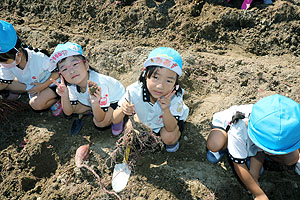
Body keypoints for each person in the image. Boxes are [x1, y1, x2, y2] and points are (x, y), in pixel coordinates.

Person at [206, 94, 300, 200]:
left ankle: (248, 154)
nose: (274, 153)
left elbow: (259, 151)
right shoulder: (238, 130)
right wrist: (259, 194)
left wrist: (254, 177)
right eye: (271, 150)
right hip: (227, 129)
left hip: (253, 142)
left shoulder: (285, 124)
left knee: (292, 157)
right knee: (215, 144)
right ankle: (226, 148)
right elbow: (239, 165)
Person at [113, 47, 189, 152]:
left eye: (168, 81)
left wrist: (166, 109)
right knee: (130, 130)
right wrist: (123, 109)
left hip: (167, 124)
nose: (160, 86)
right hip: (144, 122)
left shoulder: (174, 97)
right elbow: (114, 119)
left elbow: (171, 127)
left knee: (169, 137)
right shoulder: (133, 91)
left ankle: (170, 144)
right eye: (156, 78)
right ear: (145, 74)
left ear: (175, 83)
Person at [50, 42, 125, 135]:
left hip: (115, 102)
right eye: (64, 69)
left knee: (99, 122)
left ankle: (118, 119)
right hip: (94, 101)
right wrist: (64, 96)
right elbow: (68, 112)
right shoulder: (71, 85)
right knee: (75, 107)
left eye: (75, 64)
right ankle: (94, 108)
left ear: (86, 65)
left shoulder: (99, 84)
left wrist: (95, 104)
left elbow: (100, 118)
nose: (71, 71)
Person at [0, 20, 61, 116]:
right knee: (7, 83)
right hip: (33, 85)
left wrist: (42, 86)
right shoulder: (7, 62)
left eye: (4, 61)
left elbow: (57, 72)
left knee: (35, 104)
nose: (2, 65)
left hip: (51, 83)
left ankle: (57, 100)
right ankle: (29, 92)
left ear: (18, 55)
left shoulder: (39, 58)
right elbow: (3, 82)